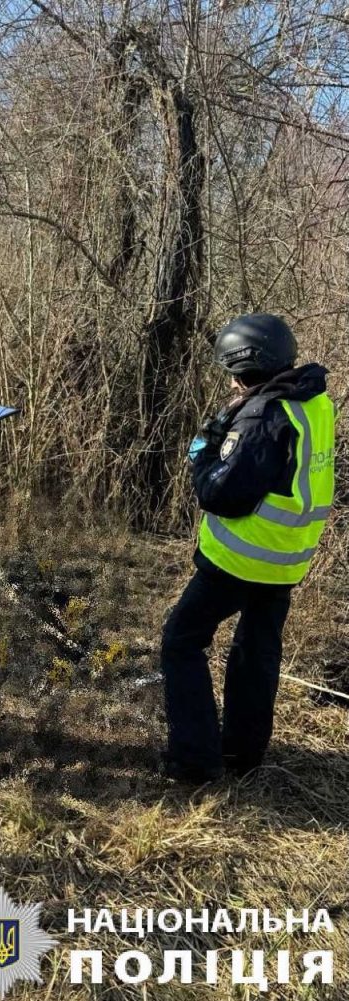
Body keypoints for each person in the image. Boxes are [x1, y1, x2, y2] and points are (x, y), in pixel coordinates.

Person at [161, 313, 336, 783]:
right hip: (288, 559)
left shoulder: (263, 416)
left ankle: (195, 761)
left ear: (244, 367)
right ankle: (243, 756)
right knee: (256, 652)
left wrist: (204, 455)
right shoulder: (313, 402)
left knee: (181, 642)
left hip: (241, 558)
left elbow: (222, 494)